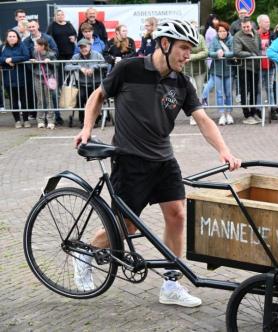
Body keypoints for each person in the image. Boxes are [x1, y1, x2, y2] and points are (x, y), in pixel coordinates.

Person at [73, 19, 241, 307]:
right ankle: (86, 252)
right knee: (126, 228)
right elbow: (97, 96)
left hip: (164, 160)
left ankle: (171, 285)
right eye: (184, 48)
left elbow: (202, 118)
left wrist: (224, 150)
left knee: (176, 214)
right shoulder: (129, 69)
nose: (188, 55)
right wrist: (87, 129)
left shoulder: (182, 83)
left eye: (190, 49)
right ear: (165, 44)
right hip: (130, 161)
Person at [65, 39, 107, 127]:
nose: (83, 49)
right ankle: (83, 120)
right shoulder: (76, 56)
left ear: (90, 46)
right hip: (82, 84)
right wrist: (79, 67)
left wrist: (94, 67)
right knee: (80, 98)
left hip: (96, 83)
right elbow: (67, 66)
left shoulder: (97, 54)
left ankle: (94, 120)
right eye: (81, 47)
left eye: (85, 47)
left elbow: (105, 64)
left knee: (93, 99)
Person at [233, 17, 261, 124]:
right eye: (244, 27)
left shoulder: (256, 34)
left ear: (251, 25)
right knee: (245, 91)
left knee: (255, 91)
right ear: (241, 26)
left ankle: (254, 113)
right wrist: (250, 55)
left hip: (256, 66)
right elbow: (236, 51)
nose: (246, 28)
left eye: (248, 26)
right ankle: (247, 115)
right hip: (244, 67)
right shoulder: (238, 36)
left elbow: (258, 49)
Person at [0, 30, 30, 128]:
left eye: (14, 36)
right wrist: (5, 60)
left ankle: (26, 120)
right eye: (10, 36)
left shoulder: (22, 46)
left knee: (24, 99)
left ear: (17, 38)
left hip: (22, 77)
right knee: (13, 101)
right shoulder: (3, 47)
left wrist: (12, 59)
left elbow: (26, 56)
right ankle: (17, 120)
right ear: (7, 38)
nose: (12, 38)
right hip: (8, 78)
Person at [208, 21, 235, 125]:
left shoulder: (232, 40)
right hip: (217, 70)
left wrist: (225, 54)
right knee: (219, 93)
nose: (222, 33)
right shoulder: (214, 40)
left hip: (229, 70)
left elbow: (234, 52)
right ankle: (221, 114)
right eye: (220, 31)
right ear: (217, 32)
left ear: (227, 31)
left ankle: (229, 113)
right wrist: (216, 54)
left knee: (228, 93)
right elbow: (209, 52)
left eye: (224, 31)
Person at [184, 20, 208, 125]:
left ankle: (200, 116)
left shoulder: (201, 38)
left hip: (200, 70)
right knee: (191, 92)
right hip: (187, 70)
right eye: (192, 27)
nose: (195, 28)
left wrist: (192, 56)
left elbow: (205, 51)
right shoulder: (184, 38)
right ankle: (193, 116)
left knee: (199, 92)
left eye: (196, 27)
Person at [31, 38, 57, 129]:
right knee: (40, 99)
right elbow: (33, 66)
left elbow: (56, 65)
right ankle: (40, 120)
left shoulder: (51, 54)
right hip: (37, 77)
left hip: (48, 78)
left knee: (49, 99)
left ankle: (50, 120)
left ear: (42, 46)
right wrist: (33, 62)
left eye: (37, 45)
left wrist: (50, 62)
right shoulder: (35, 53)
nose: (35, 46)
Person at [256, 14, 278, 119]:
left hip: (270, 65)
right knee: (259, 88)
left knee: (270, 88)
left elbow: (276, 48)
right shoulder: (255, 35)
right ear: (259, 23)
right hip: (258, 66)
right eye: (265, 22)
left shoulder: (273, 35)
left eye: (268, 21)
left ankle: (272, 109)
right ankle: (259, 110)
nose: (268, 23)